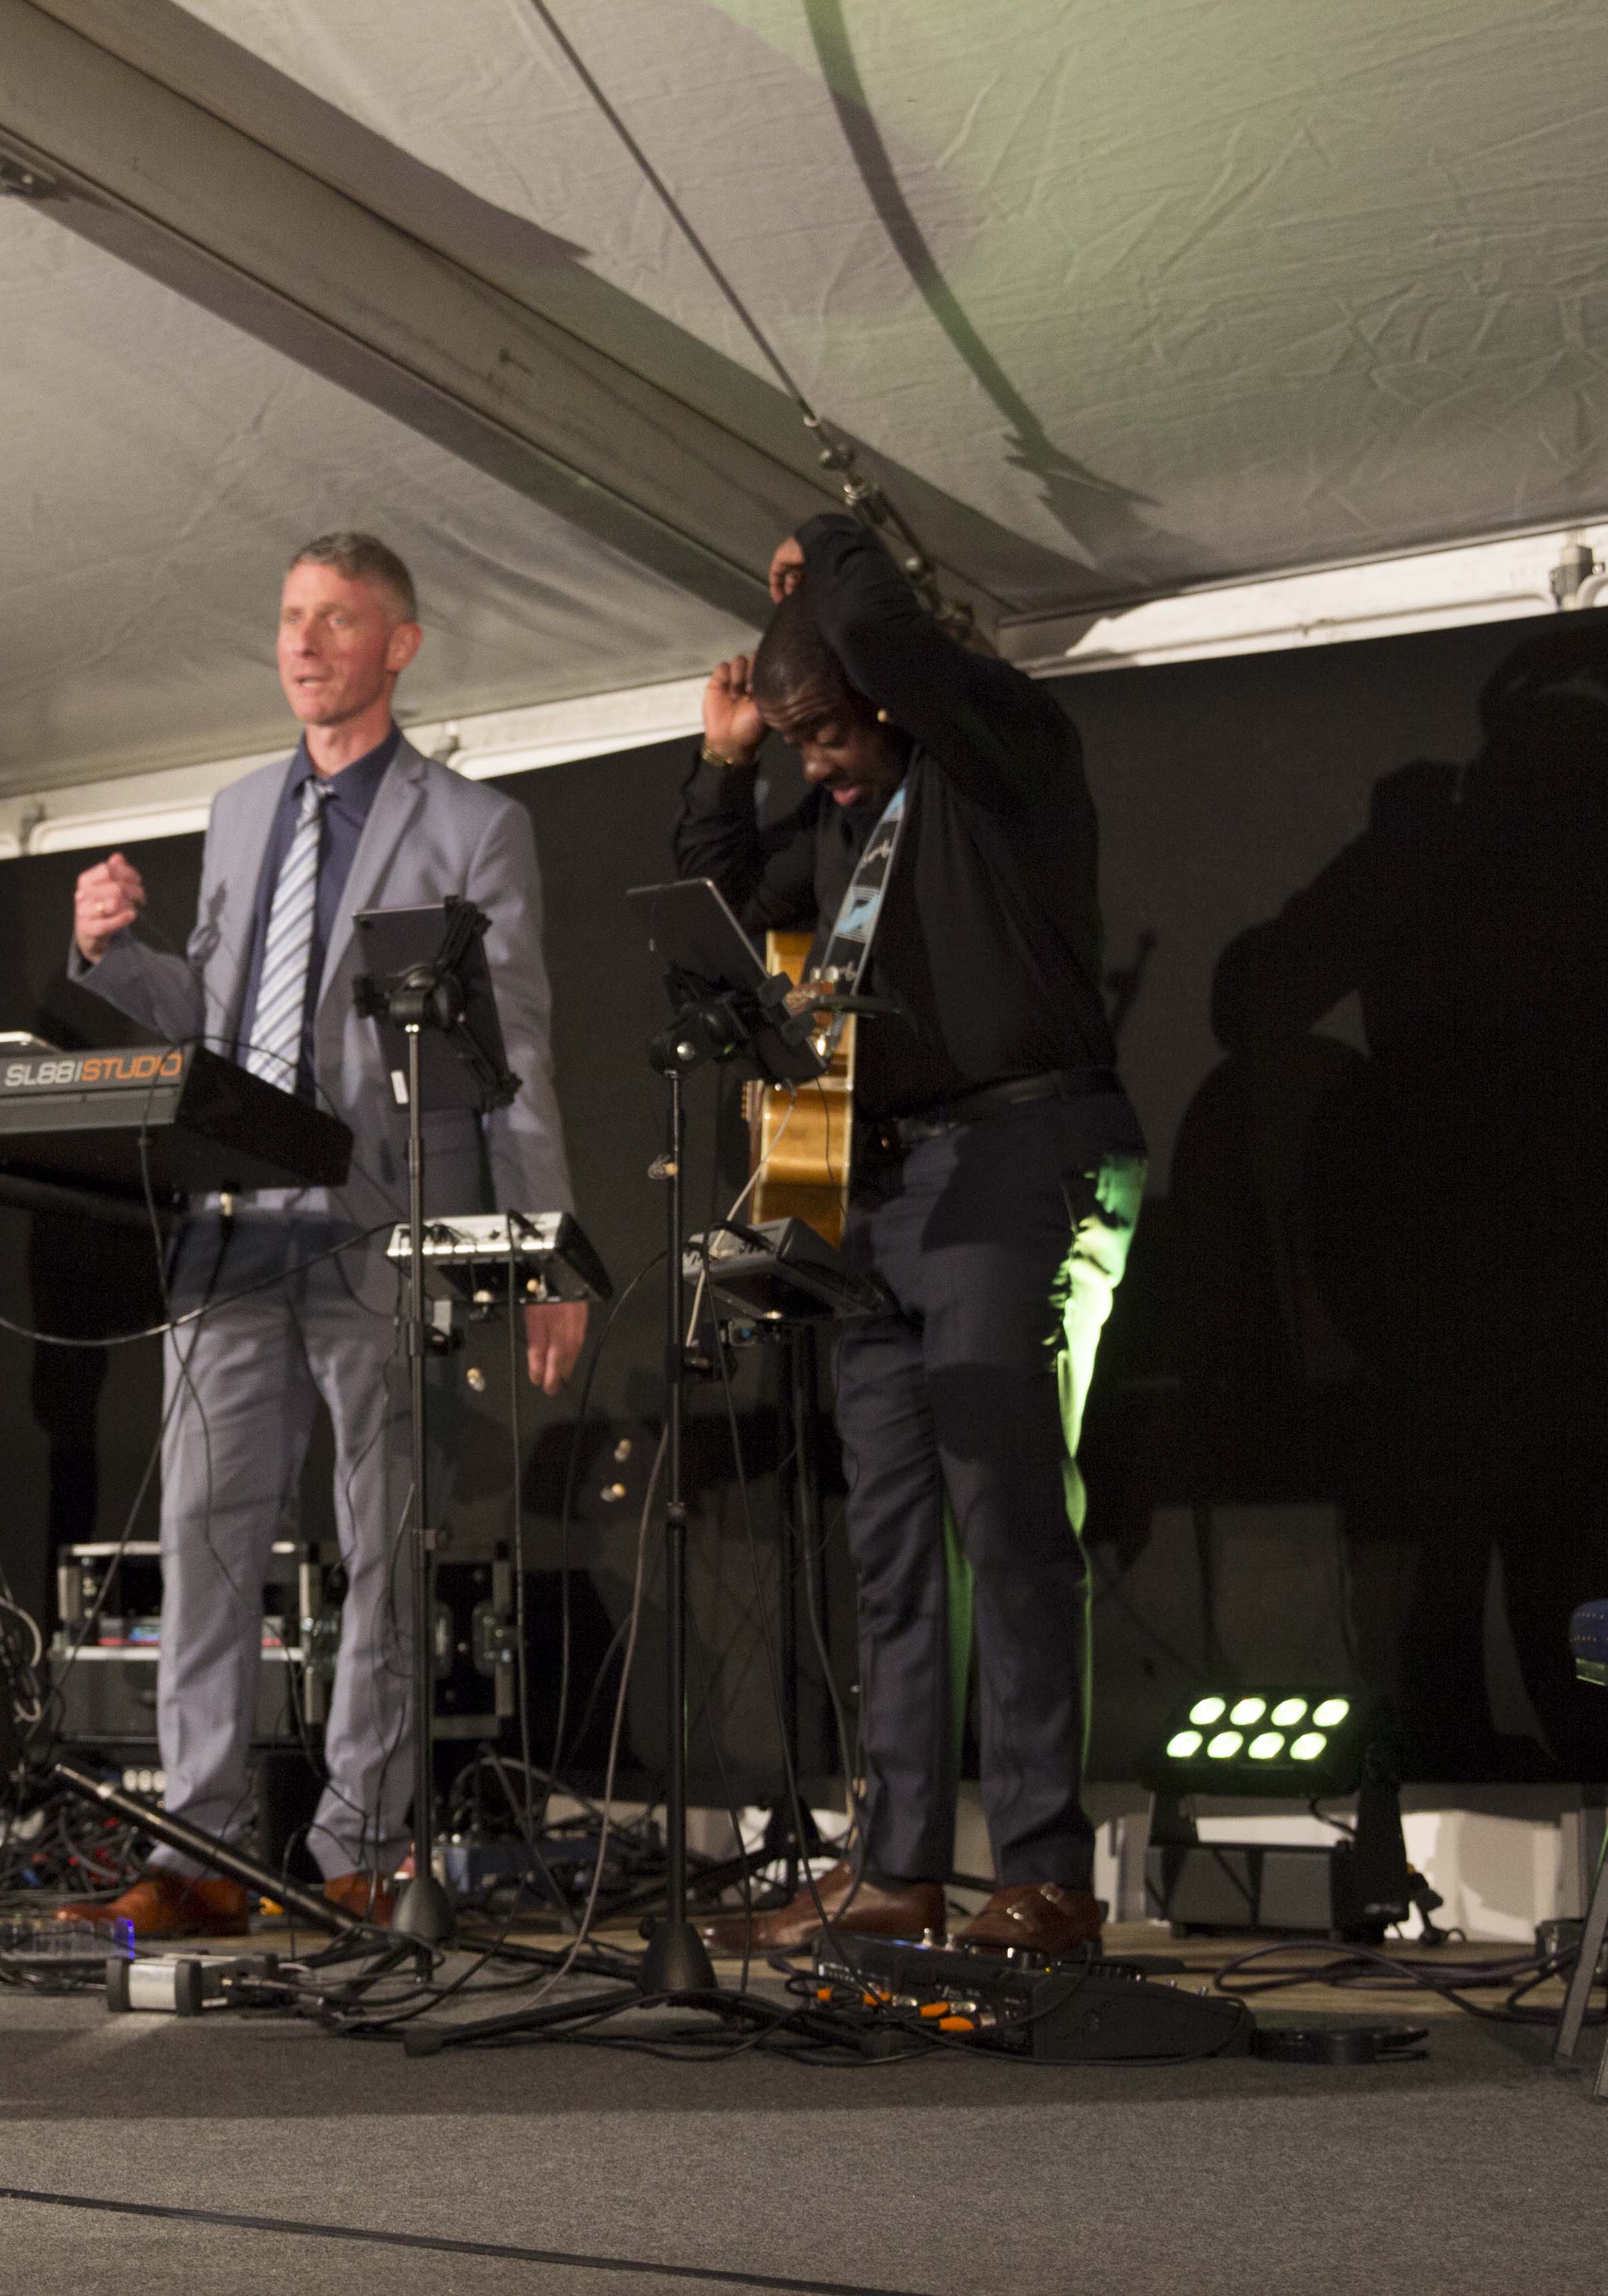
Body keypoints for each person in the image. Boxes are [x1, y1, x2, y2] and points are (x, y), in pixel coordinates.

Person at [58, 532, 587, 1940]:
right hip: (232, 1229)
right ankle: (200, 1849)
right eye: (291, 616)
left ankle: (361, 1849)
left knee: (385, 1545)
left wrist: (539, 1248)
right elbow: (213, 1019)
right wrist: (111, 957)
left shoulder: (473, 826)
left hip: (381, 1225)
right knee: (205, 1545)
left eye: (337, 619)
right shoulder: (239, 811)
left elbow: (515, 1050)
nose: (303, 642)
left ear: (398, 646)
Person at [680, 514, 1142, 1961]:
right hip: (880, 1190)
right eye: (795, 741)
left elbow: (883, 628)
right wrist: (727, 762)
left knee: (1007, 1516)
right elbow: (715, 914)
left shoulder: (1004, 752)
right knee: (888, 1541)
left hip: (1022, 1151)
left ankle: (1046, 1873)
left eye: (824, 731)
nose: (813, 762)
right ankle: (896, 1870)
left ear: (888, 696)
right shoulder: (834, 825)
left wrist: (820, 545)